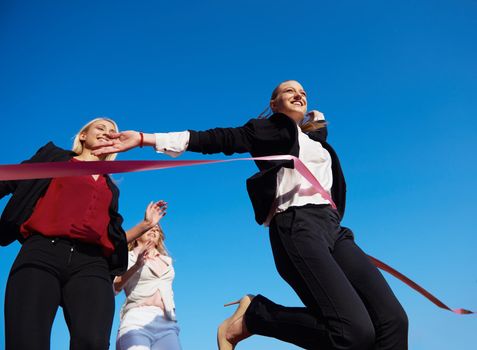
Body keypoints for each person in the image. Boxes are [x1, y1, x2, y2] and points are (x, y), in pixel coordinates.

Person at [93, 81, 409, 350]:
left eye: (302, 91)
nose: (298, 93)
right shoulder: (269, 130)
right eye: (288, 91)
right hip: (298, 227)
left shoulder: (319, 145)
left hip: (335, 231)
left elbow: (319, 127)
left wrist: (314, 120)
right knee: (354, 332)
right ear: (273, 104)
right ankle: (254, 315)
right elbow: (217, 139)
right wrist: (148, 138)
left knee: (393, 321)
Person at [0, 117, 166, 350]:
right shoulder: (53, 158)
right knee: (27, 340)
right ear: (82, 136)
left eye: (112, 132)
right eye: (100, 128)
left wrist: (145, 225)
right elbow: (7, 181)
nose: (107, 133)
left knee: (93, 342)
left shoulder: (110, 189)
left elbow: (112, 239)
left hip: (92, 264)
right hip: (42, 253)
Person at [114, 223, 181, 350]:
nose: (154, 230)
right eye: (150, 228)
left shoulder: (167, 261)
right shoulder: (129, 257)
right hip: (137, 318)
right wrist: (136, 266)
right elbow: (115, 287)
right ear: (137, 236)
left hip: (166, 321)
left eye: (157, 230)